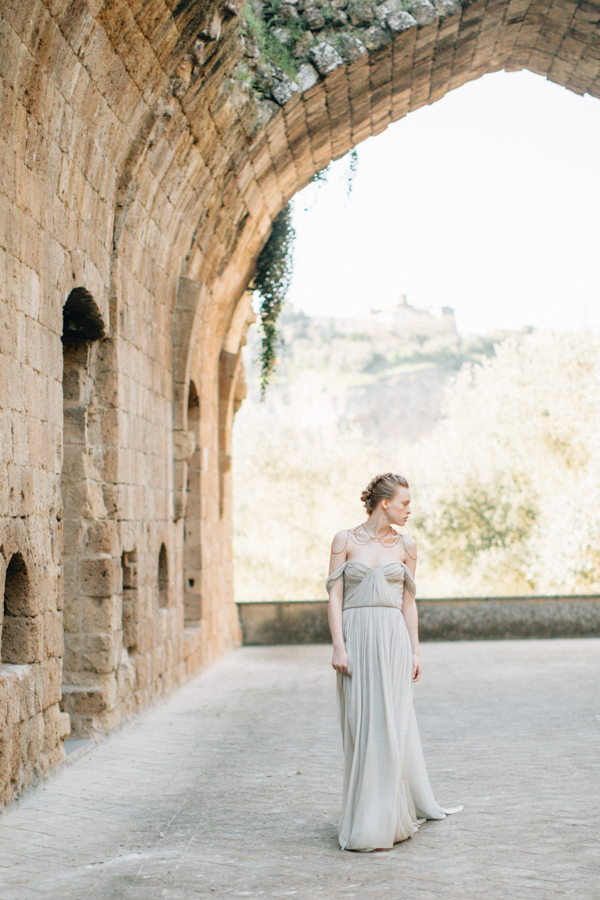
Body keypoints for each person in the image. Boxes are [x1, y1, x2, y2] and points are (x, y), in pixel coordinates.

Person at [326, 472, 462, 851]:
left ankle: (385, 816)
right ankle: (363, 811)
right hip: (357, 638)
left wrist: (416, 650)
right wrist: (339, 645)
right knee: (361, 725)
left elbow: (408, 602)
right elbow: (335, 596)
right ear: (384, 503)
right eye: (404, 503)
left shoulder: (407, 545)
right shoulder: (344, 540)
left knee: (389, 726)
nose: (409, 509)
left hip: (392, 640)